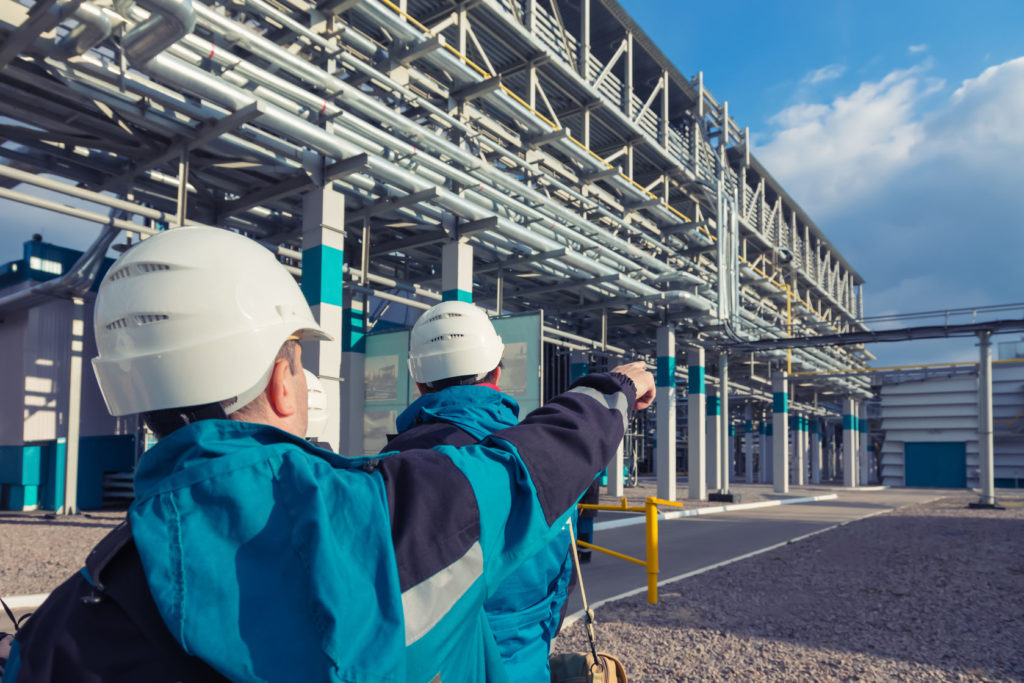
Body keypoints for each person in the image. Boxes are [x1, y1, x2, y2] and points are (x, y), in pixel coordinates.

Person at [3, 226, 654, 683]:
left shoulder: (72, 618)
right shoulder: (391, 515)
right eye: (297, 355)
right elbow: (533, 465)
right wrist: (614, 387)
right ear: (284, 382)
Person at [384, 301, 573, 681]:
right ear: (496, 372)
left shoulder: (394, 465)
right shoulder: (540, 457)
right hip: (525, 663)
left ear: (419, 383)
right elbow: (559, 586)